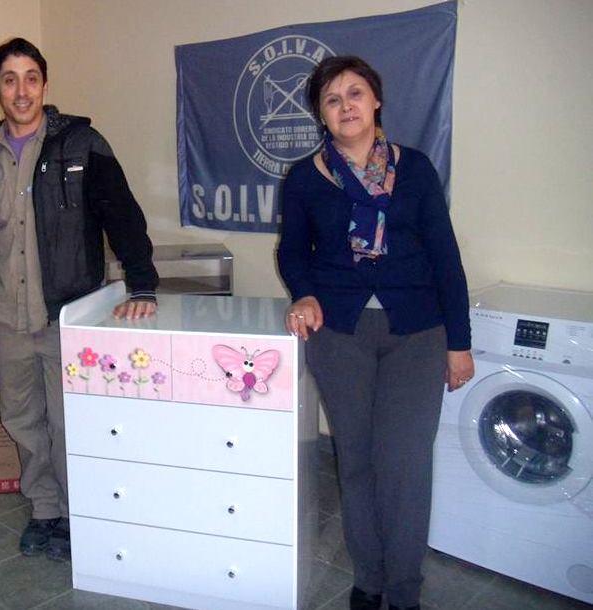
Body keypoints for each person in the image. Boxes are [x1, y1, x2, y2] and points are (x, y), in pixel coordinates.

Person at [277, 56, 473, 610]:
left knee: (405, 465)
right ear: (321, 113)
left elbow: (445, 258)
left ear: (376, 101)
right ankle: (369, 579)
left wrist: (459, 343)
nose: (346, 106)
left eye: (355, 93)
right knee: (357, 460)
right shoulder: (304, 178)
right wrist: (305, 292)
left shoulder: (415, 170)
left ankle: (405, 589)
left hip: (419, 332)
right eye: (333, 99)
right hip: (340, 333)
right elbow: (293, 253)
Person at [0, 38, 158, 562]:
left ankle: (81, 516)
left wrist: (142, 282)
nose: (21, 90)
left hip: (67, 315)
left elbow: (122, 214)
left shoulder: (82, 143)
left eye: (31, 77)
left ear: (44, 85)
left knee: (69, 421)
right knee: (22, 418)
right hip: (7, 314)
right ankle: (45, 510)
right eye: (9, 79)